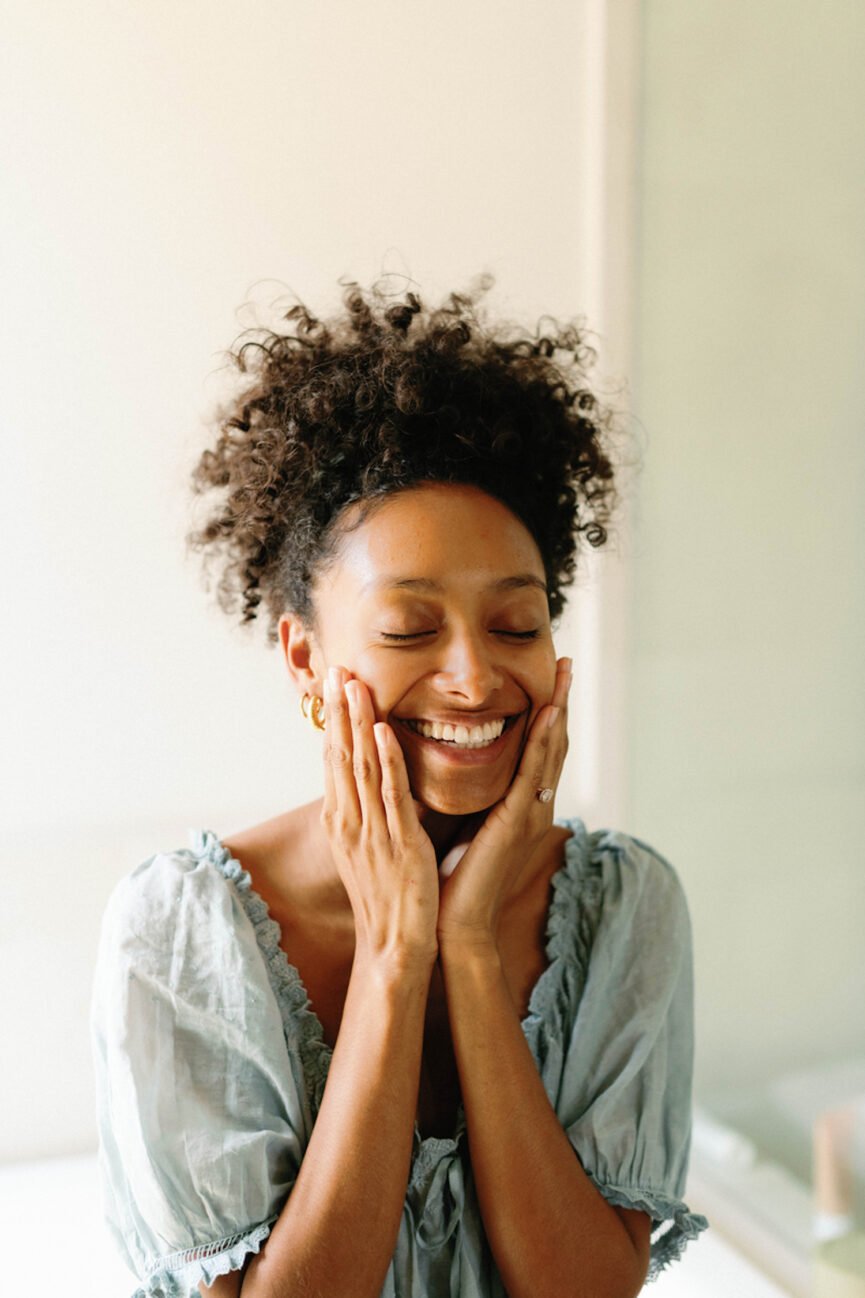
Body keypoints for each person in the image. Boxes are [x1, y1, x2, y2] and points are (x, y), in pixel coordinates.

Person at [90, 278, 709, 1298]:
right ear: (302, 659)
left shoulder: (624, 905)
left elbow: (589, 1286)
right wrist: (392, 949)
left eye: (517, 625)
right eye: (407, 630)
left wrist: (463, 950)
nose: (472, 677)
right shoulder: (177, 930)